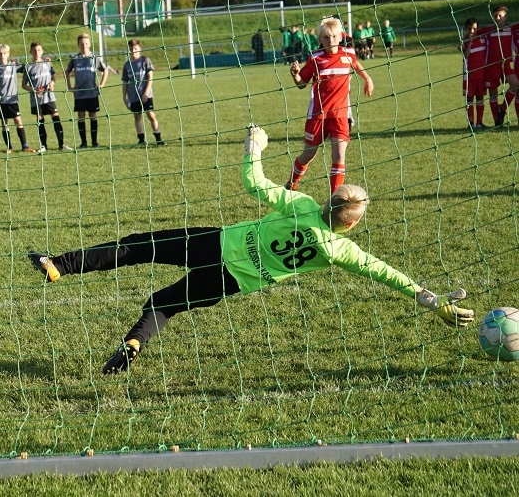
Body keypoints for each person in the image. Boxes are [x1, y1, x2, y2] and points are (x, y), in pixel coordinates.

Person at [28, 126, 474, 375]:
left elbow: (253, 183)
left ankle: (60, 265)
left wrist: (253, 148)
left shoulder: (302, 205)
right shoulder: (340, 250)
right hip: (234, 279)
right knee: (164, 304)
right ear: (352, 223)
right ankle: (132, 343)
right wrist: (429, 299)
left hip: (215, 242)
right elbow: (384, 271)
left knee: (136, 247)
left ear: (328, 200)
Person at [287, 17, 374, 194]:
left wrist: (368, 79)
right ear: (320, 39)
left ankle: (335, 198)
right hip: (317, 115)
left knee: (339, 155)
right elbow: (302, 83)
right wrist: (295, 75)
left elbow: (356, 64)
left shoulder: (348, 54)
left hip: (341, 115)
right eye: (326, 37)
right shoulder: (315, 58)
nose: (331, 40)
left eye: (334, 36)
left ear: (340, 37)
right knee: (308, 154)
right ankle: (292, 184)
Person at [65, 33, 108, 148]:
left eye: (86, 43)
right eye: (81, 44)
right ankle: (83, 142)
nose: (84, 45)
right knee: (81, 116)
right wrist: (69, 87)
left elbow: (105, 70)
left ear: (90, 44)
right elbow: (67, 71)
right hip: (79, 94)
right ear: (78, 45)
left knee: (93, 116)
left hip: (92, 93)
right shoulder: (75, 59)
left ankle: (94, 142)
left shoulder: (94, 58)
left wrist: (101, 84)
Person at [22, 41, 66, 153]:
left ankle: (62, 144)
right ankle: (43, 145)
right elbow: (23, 85)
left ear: (42, 51)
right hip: (36, 99)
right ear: (30, 52)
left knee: (56, 118)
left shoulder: (47, 63)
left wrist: (52, 83)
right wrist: (34, 90)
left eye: (38, 50)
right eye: (34, 50)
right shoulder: (28, 67)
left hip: (49, 97)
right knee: (40, 120)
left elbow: (53, 77)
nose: (36, 52)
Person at [0, 44, 33, 153]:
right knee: (4, 123)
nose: (2, 55)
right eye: (0, 53)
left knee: (18, 120)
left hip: (12, 100)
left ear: (8, 54)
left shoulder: (13, 65)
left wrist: (44, 61)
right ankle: (9, 147)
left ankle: (25, 146)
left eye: (4, 53)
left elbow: (27, 67)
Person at [121, 39, 164, 146]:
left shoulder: (145, 60)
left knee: (151, 115)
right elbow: (125, 83)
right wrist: (124, 98)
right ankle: (141, 140)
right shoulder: (127, 65)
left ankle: (158, 138)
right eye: (131, 49)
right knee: (137, 117)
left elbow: (150, 77)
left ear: (140, 49)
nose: (133, 51)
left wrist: (145, 93)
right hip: (133, 96)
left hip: (146, 95)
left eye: (135, 48)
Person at [462, 18, 488, 130]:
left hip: (481, 75)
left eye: (474, 28)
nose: (472, 31)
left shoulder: (483, 38)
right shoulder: (464, 42)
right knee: (469, 99)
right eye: (469, 29)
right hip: (469, 76)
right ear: (466, 29)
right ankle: (471, 124)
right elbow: (466, 55)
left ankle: (479, 123)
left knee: (480, 98)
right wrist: (470, 41)